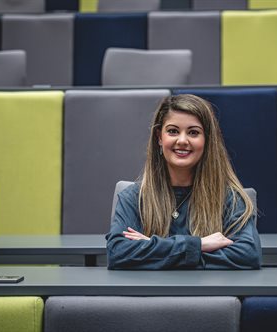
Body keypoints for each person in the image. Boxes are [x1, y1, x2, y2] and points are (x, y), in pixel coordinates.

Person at [106, 94, 262, 269]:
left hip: (208, 296)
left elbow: (248, 254)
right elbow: (118, 253)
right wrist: (199, 245)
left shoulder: (230, 198)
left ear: (207, 140)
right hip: (151, 295)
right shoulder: (133, 197)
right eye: (173, 131)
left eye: (193, 132)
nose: (182, 141)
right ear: (159, 137)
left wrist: (155, 250)